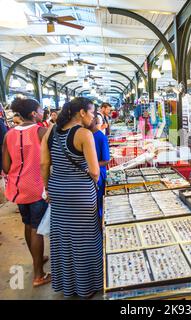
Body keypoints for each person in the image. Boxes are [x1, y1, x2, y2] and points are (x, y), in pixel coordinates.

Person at [40, 97, 102, 298]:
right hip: (80, 193)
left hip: (57, 191)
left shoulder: (52, 131)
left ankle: (69, 286)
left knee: (64, 239)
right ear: (82, 112)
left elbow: (44, 164)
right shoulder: (83, 134)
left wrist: (48, 188)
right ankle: (87, 287)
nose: (93, 117)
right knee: (85, 238)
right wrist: (95, 177)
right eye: (92, 113)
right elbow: (94, 171)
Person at [2, 97, 50, 287]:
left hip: (17, 187)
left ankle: (37, 260)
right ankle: (39, 275)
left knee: (28, 224)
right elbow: (50, 161)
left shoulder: (9, 134)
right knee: (37, 229)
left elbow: (5, 167)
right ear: (33, 113)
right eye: (40, 110)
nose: (42, 113)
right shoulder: (41, 132)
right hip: (37, 187)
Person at [88, 114, 110, 221]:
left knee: (99, 204)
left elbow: (106, 160)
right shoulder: (85, 136)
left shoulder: (101, 137)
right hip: (89, 176)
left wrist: (91, 166)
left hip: (98, 176)